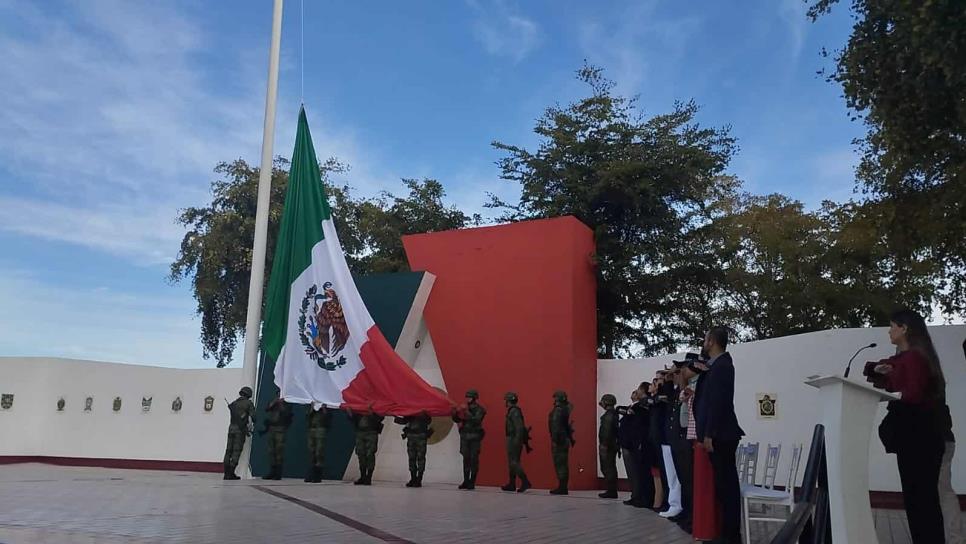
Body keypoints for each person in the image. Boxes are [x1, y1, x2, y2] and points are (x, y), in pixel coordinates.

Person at [864, 309, 949, 543]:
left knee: (920, 501)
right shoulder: (912, 357)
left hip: (918, 437)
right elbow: (876, 367)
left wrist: (889, 379)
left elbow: (910, 394)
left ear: (904, 328)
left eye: (893, 326)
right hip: (922, 436)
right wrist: (880, 370)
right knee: (922, 501)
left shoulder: (913, 358)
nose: (889, 331)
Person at [695, 326, 745, 544]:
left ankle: (731, 536)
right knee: (723, 487)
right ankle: (726, 533)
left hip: (721, 435)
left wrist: (709, 434)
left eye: (706, 339)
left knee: (727, 488)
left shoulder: (722, 366)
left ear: (712, 341)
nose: (703, 343)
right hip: (720, 433)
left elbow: (718, 403)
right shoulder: (714, 366)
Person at [687, 358, 721, 541]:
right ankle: (702, 529)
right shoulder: (698, 385)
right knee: (701, 488)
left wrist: (706, 435)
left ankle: (708, 529)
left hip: (704, 440)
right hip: (698, 439)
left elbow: (708, 411)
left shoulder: (705, 385)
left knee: (706, 488)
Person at [668, 355, 699, 533]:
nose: (681, 372)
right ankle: (687, 513)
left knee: (689, 480)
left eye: (684, 369)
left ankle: (692, 516)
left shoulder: (696, 386)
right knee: (684, 479)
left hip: (689, 436)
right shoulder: (686, 387)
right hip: (682, 435)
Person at [618, 387, 654, 508]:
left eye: (637, 390)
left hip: (633, 444)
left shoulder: (640, 407)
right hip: (628, 444)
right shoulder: (632, 407)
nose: (635, 392)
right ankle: (635, 495)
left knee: (636, 472)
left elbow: (638, 426)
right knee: (632, 473)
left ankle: (638, 496)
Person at [452, 389, 486, 490]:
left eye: (470, 397)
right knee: (466, 458)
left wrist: (466, 411)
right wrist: (455, 413)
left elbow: (476, 420)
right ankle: (466, 481)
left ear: (475, 398)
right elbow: (458, 419)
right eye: (467, 397)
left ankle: (472, 481)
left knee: (474, 459)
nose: (468, 399)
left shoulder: (480, 409)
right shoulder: (464, 407)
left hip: (475, 437)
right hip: (465, 436)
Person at [501, 392, 532, 493]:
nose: (506, 402)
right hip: (512, 438)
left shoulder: (514, 412)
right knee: (511, 462)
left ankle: (525, 481)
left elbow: (519, 427)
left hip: (514, 438)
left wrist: (516, 441)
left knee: (514, 462)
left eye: (507, 400)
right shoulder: (513, 411)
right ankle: (512, 483)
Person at [393, 411, 433, 488]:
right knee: (412, 458)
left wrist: (423, 415)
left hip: (421, 437)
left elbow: (429, 421)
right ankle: (413, 478)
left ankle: (419, 479)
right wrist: (395, 417)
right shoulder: (410, 410)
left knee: (421, 458)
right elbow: (404, 421)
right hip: (411, 437)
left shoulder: (424, 411)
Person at [223, 386, 255, 480]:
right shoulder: (248, 403)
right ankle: (231, 473)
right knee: (236, 451)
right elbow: (254, 417)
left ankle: (226, 473)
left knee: (228, 450)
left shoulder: (234, 403)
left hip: (231, 428)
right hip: (240, 430)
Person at [261, 390, 293, 480]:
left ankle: (278, 473)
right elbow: (267, 408)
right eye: (278, 394)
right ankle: (272, 471)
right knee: (271, 451)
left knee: (279, 451)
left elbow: (286, 414)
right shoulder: (273, 402)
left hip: (280, 429)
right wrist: (274, 402)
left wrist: (281, 404)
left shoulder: (287, 404)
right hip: (272, 429)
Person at [548, 390, 575, 495]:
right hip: (564, 439)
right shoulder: (566, 409)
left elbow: (555, 427)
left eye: (556, 398)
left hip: (559, 440)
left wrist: (555, 440)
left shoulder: (558, 411)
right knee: (563, 463)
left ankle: (562, 487)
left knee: (560, 463)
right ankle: (563, 486)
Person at [350, 405, 384, 486]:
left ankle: (368, 477)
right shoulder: (359, 405)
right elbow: (353, 419)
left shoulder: (378, 405)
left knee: (370, 454)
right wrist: (350, 413)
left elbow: (380, 418)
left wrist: (371, 413)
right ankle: (363, 476)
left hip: (371, 432)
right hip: (360, 432)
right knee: (360, 454)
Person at [598, 393, 620, 498]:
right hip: (611, 445)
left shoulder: (609, 416)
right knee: (610, 466)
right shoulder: (613, 414)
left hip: (607, 445)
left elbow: (606, 432)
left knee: (607, 467)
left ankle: (611, 490)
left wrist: (604, 444)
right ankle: (611, 490)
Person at [304, 404, 332, 483]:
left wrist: (323, 408)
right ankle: (312, 473)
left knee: (319, 451)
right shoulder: (311, 405)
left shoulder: (326, 404)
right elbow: (307, 416)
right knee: (311, 450)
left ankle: (317, 475)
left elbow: (328, 417)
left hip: (321, 428)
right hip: (312, 428)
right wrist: (312, 408)